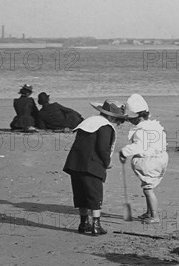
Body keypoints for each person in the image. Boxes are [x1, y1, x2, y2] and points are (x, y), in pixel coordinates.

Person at [63, 100, 126, 236]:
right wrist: (107, 162)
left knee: (80, 195)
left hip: (75, 163)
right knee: (94, 195)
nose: (118, 122)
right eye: (118, 119)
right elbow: (103, 148)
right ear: (111, 117)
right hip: (91, 165)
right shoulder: (105, 127)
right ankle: (96, 226)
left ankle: (83, 223)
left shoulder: (88, 122)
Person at [119, 94, 168, 224]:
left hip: (150, 161)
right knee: (148, 186)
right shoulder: (154, 125)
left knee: (148, 188)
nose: (129, 121)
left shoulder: (142, 131)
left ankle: (155, 216)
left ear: (139, 117)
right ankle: (149, 212)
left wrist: (124, 152)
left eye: (131, 119)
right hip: (161, 157)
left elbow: (139, 146)